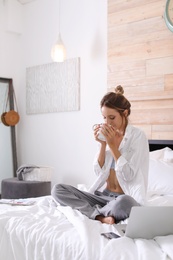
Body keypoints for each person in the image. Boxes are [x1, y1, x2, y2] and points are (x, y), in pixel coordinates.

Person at [51, 85, 149, 224]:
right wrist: (103, 145)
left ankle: (91, 212)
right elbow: (99, 173)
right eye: (104, 118)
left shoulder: (138, 137)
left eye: (112, 117)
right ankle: (100, 216)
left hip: (124, 198)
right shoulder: (106, 136)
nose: (107, 123)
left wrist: (113, 146)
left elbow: (129, 175)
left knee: (125, 203)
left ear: (125, 113)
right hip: (102, 196)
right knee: (58, 190)